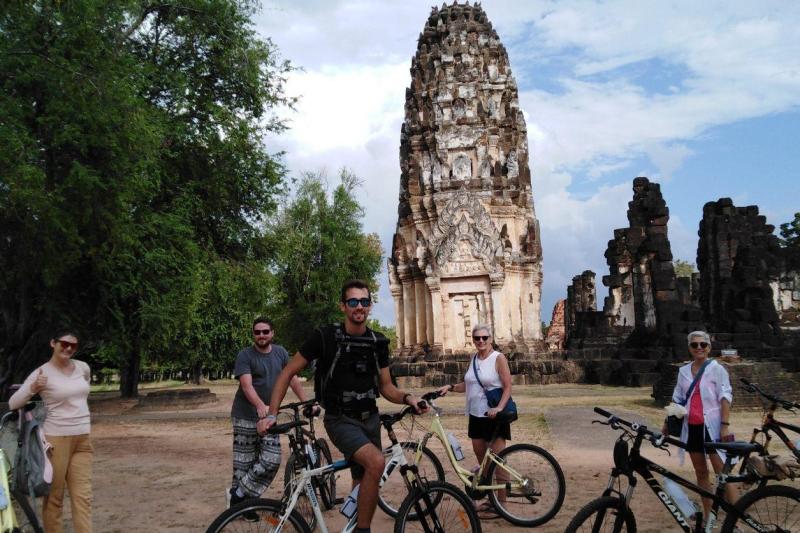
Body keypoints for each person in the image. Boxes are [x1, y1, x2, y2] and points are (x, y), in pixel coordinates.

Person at [264, 279, 426, 533]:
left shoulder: (378, 342)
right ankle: (363, 530)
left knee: (361, 479)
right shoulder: (325, 337)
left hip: (370, 419)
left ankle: (351, 528)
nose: (358, 306)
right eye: (352, 302)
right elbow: (287, 373)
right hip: (340, 420)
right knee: (376, 463)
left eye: (363, 301)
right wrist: (271, 414)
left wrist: (408, 398)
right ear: (343, 306)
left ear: (370, 306)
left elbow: (386, 387)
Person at [9, 329, 92, 533]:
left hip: (83, 439)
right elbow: (13, 403)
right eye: (64, 343)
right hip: (57, 440)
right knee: (54, 499)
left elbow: (81, 396)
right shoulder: (41, 372)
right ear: (53, 343)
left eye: (73, 345)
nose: (69, 348)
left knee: (83, 497)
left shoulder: (83, 368)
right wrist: (33, 388)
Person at [228, 317, 310, 511]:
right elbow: (246, 385)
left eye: (265, 331)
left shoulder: (280, 353)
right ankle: (244, 508)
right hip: (245, 415)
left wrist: (307, 402)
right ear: (253, 335)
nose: (261, 335)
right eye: (257, 332)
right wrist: (259, 405)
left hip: (269, 416)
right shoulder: (245, 355)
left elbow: (292, 378)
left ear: (272, 333)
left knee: (271, 459)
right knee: (244, 462)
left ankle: (238, 494)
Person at [436, 324, 512, 519]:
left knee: (498, 461)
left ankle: (502, 504)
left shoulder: (499, 358)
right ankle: (491, 500)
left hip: (493, 417)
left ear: (491, 338)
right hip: (476, 416)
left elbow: (507, 387)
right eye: (477, 338)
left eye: (484, 338)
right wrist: (451, 387)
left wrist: (499, 408)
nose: (481, 341)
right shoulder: (473, 358)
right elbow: (468, 385)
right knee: (483, 463)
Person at [663, 330, 736, 522]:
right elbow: (677, 399)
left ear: (709, 348)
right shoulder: (684, 371)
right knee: (701, 473)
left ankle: (736, 516)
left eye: (703, 345)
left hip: (712, 426)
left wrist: (725, 425)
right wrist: (666, 422)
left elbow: (725, 396)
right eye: (695, 345)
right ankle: (709, 516)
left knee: (723, 474)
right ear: (689, 348)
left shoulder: (716, 369)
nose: (699, 348)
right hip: (693, 427)